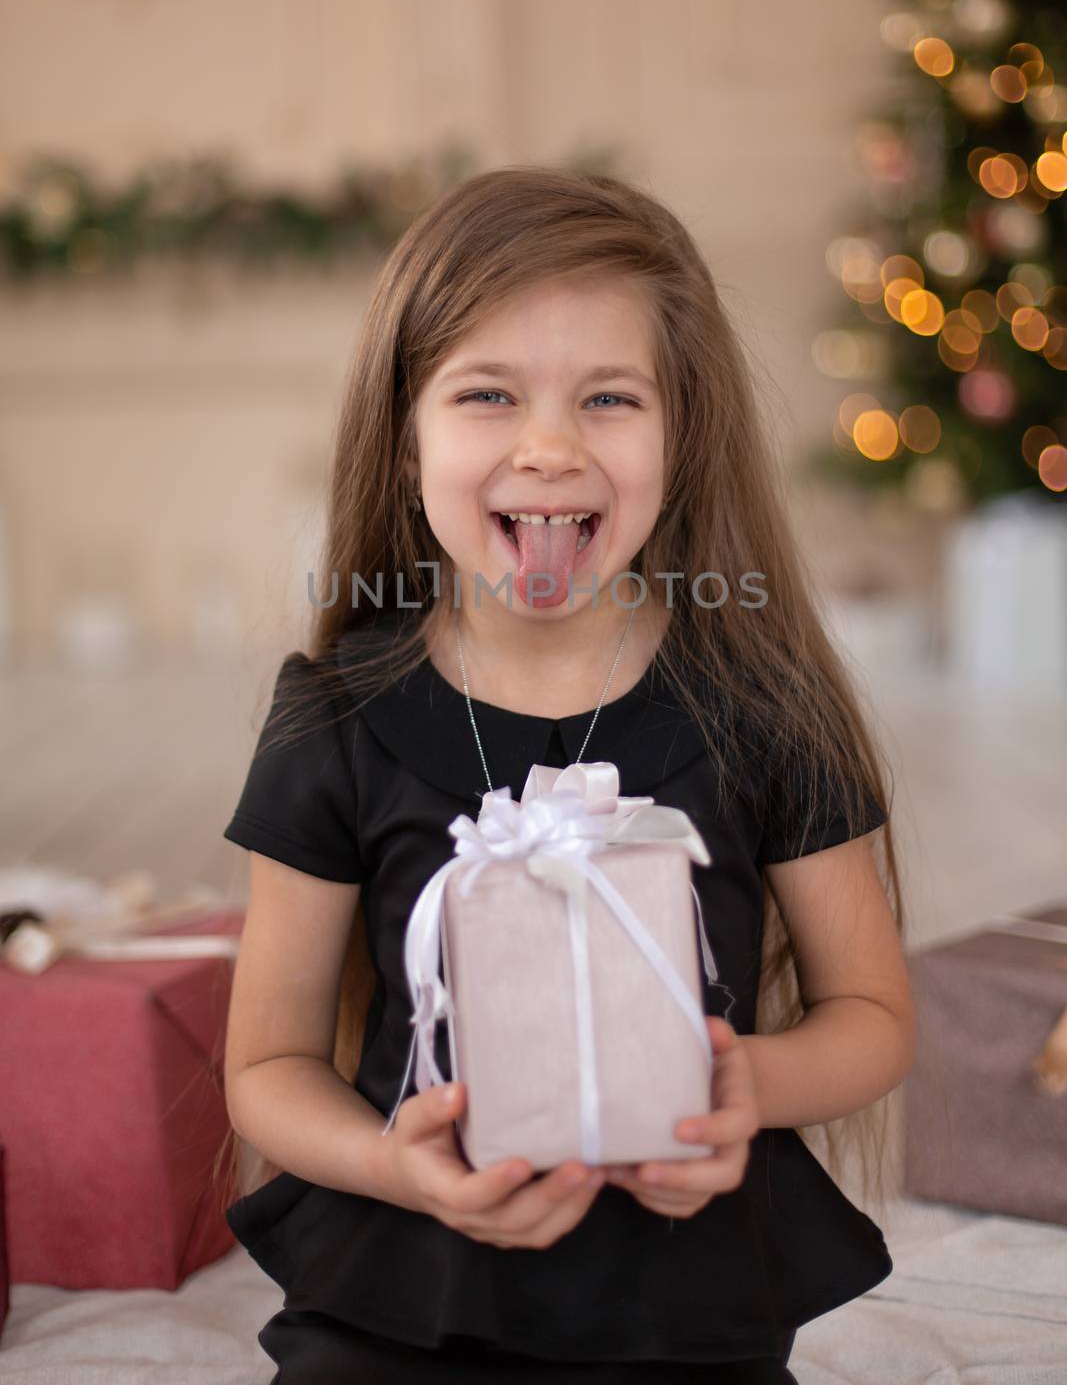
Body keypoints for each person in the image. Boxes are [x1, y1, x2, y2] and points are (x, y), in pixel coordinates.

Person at [218, 166, 914, 1384]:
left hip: (690, 1293)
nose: (548, 448)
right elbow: (267, 1066)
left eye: (608, 397)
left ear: (680, 432)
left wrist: (742, 1083)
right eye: (487, 394)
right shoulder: (333, 714)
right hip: (402, 1287)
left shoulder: (763, 704)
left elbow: (870, 1018)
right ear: (406, 433)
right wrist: (395, 1162)